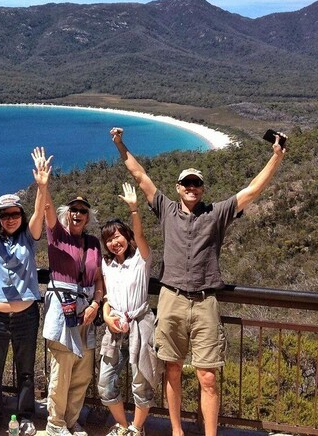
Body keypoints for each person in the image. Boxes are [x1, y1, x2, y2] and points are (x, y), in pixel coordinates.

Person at [111, 126, 287, 436]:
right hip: (172, 297)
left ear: (202, 189)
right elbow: (141, 177)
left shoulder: (216, 214)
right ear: (178, 187)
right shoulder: (165, 209)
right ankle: (177, 431)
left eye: (197, 184)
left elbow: (252, 190)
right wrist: (120, 144)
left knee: (208, 376)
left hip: (206, 301)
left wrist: (276, 157)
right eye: (187, 183)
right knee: (173, 370)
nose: (192, 188)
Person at [0, 148, 51, 436]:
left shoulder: (29, 238)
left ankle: (25, 417)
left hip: (25, 316)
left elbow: (38, 212)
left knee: (26, 372)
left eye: (14, 214)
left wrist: (42, 186)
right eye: (5, 215)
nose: (10, 219)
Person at [40, 166, 104, 436]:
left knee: (82, 372)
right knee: (62, 369)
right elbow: (47, 211)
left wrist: (96, 304)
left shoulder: (93, 243)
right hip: (63, 308)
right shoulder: (58, 235)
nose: (77, 214)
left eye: (83, 211)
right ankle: (55, 423)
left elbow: (99, 279)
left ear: (88, 217)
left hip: (86, 310)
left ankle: (70, 420)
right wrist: (44, 185)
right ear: (68, 214)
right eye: (74, 210)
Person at [97, 183, 160, 436]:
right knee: (105, 382)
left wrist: (134, 210)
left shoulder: (141, 259)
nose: (114, 242)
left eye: (117, 236)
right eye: (109, 239)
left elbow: (141, 236)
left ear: (127, 236)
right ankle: (123, 426)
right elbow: (107, 296)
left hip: (140, 324)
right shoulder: (106, 264)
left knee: (141, 380)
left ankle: (136, 428)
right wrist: (106, 316)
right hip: (115, 326)